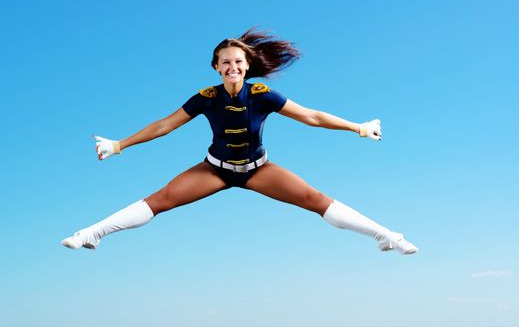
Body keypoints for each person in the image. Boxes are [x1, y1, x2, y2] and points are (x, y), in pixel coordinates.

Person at [61, 28, 418, 254]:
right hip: (214, 170)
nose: (232, 66)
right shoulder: (205, 96)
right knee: (161, 200)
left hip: (257, 170)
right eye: (225, 62)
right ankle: (92, 233)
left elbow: (311, 116)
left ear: (247, 66)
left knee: (314, 199)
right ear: (216, 67)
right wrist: (119, 144)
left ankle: (386, 236)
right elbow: (164, 126)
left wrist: (358, 127)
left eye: (238, 61)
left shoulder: (263, 95)